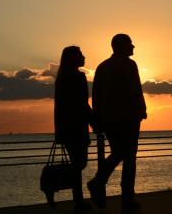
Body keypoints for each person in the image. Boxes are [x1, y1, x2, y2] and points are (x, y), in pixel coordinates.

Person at [87, 34, 147, 210]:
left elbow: (96, 97)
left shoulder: (102, 67)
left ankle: (108, 187)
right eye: (130, 43)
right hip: (128, 118)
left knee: (119, 153)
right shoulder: (129, 65)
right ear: (122, 46)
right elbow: (136, 90)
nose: (133, 46)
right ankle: (119, 195)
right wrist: (141, 110)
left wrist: (97, 120)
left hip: (109, 120)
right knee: (128, 158)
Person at [54, 46, 92, 211]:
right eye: (80, 54)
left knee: (77, 163)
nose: (84, 56)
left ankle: (78, 200)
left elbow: (59, 107)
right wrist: (95, 122)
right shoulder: (78, 77)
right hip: (77, 126)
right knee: (79, 163)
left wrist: (59, 130)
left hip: (66, 126)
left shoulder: (61, 78)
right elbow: (83, 104)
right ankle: (61, 186)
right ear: (73, 58)